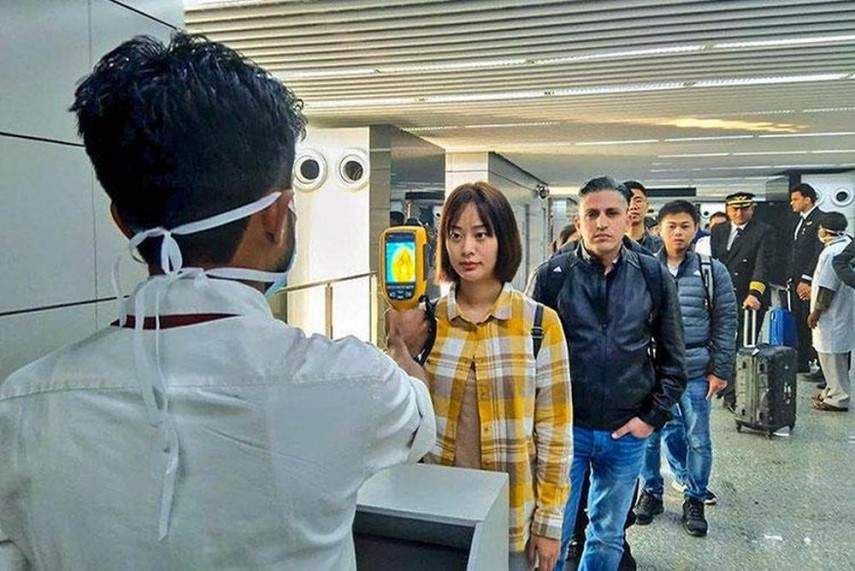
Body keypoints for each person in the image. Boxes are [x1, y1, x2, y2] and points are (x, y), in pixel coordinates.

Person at [0, 34, 436, 569]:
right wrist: (403, 346)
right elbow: (418, 420)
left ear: (122, 222)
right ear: (276, 216)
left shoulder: (20, 406)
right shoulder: (354, 382)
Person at [396, 182, 573, 570]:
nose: (467, 249)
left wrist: (549, 523)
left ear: (503, 239)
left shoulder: (539, 324)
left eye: (481, 235)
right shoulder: (427, 322)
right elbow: (397, 417)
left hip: (512, 520)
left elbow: (555, 433)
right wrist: (398, 347)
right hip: (436, 513)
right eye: (455, 235)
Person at [530, 176, 686, 571]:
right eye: (592, 214)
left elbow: (674, 358)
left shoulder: (652, 275)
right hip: (566, 431)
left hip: (626, 431)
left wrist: (651, 418)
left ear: (627, 219)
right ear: (579, 222)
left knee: (607, 535)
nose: (601, 223)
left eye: (611, 213)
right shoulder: (552, 275)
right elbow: (527, 358)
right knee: (552, 533)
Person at [635, 201, 737, 537]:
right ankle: (652, 492)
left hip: (695, 368)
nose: (678, 233)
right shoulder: (645, 269)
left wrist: (720, 370)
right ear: (659, 230)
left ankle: (694, 497)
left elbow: (726, 322)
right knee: (648, 436)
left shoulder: (712, 271)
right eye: (671, 226)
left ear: (695, 230)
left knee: (698, 439)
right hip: (652, 368)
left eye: (685, 226)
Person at [709, 192, 775, 410]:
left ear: (752, 209)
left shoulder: (763, 231)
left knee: (742, 346)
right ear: (727, 210)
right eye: (734, 208)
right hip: (722, 295)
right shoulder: (718, 230)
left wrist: (755, 293)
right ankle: (724, 383)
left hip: (748, 296)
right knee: (721, 343)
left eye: (744, 208)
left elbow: (762, 264)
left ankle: (735, 393)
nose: (739, 213)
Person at [807, 212, 854, 412]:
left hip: (831, 313)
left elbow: (827, 286)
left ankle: (838, 397)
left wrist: (816, 313)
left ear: (825, 230)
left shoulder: (832, 253)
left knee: (831, 356)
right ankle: (830, 390)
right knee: (835, 355)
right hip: (844, 311)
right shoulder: (847, 245)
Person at [787, 184, 825, 377]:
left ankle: (821, 365)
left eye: (795, 199)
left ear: (807, 199)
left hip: (809, 281)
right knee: (800, 321)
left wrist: (807, 278)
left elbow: (817, 252)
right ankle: (803, 361)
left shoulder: (820, 220)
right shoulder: (801, 221)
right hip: (796, 280)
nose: (792, 203)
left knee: (812, 322)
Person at [624, 180, 663, 253]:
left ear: (647, 206)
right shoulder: (609, 247)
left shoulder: (662, 246)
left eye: (638, 201)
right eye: (627, 201)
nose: (632, 206)